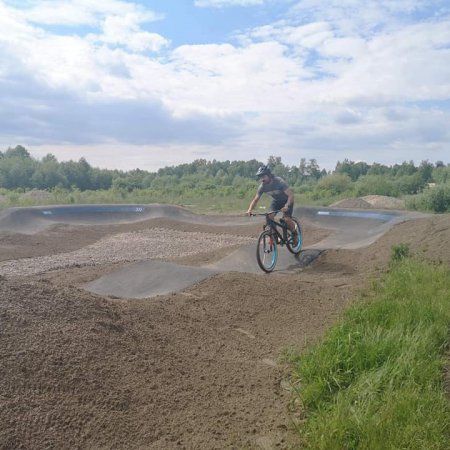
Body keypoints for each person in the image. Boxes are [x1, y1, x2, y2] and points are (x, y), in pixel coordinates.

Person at [246, 165, 296, 234]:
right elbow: (255, 199)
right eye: (260, 177)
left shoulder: (279, 182)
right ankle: (274, 235)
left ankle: (294, 233)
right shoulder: (262, 186)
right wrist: (249, 210)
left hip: (287, 200)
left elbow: (291, 195)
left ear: (269, 175)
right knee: (269, 216)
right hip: (276, 202)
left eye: (263, 177)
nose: (262, 179)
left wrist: (287, 206)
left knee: (286, 219)